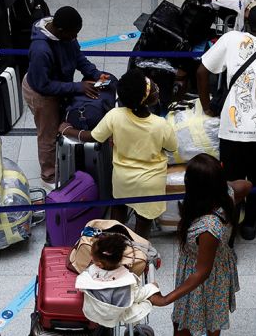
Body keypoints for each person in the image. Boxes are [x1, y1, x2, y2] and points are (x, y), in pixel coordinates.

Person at [148, 154, 251, 336]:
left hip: (200, 275)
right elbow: (247, 185)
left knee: (182, 325)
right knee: (215, 314)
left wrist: (166, 299)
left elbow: (201, 272)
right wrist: (227, 186)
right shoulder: (227, 196)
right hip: (221, 270)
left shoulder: (208, 226)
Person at [196, 0, 256, 241]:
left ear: (248, 22)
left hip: (232, 129)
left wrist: (207, 106)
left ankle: (230, 226)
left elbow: (201, 71)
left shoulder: (230, 39)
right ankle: (251, 222)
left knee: (229, 180)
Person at [60, 69, 177, 237]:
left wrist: (68, 130)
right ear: (147, 100)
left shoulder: (115, 115)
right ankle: (139, 251)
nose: (157, 88)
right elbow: (172, 147)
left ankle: (115, 242)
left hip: (123, 178)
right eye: (153, 88)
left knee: (119, 208)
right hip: (150, 183)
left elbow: (93, 136)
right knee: (143, 220)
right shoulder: (161, 124)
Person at [24, 7, 108, 185]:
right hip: (41, 94)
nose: (75, 38)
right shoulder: (41, 50)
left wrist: (95, 74)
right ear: (60, 31)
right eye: (73, 35)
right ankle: (49, 177)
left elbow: (77, 57)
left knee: (57, 124)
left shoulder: (64, 34)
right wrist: (78, 87)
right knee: (48, 134)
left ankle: (62, 160)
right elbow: (43, 86)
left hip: (55, 83)